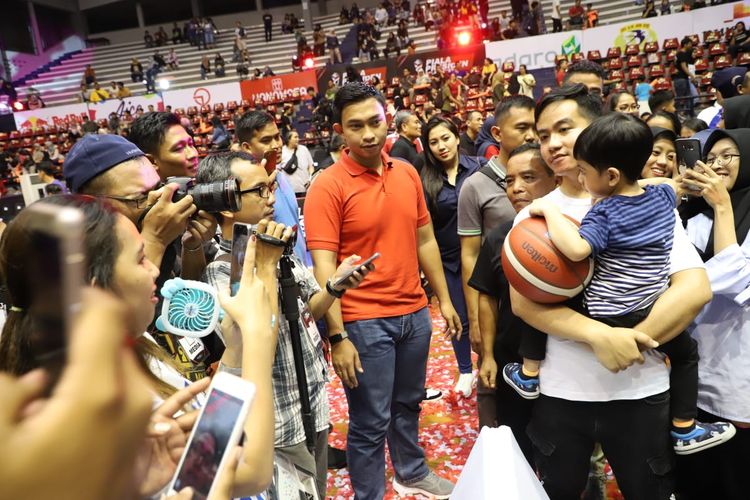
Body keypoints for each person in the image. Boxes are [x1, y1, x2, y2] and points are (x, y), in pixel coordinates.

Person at [509, 83, 713, 499]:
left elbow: (694, 287)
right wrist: (601, 336)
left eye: (564, 129)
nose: (552, 143)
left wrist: (631, 341)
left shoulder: (646, 201)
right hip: (561, 394)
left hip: (641, 392)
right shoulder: (535, 215)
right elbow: (524, 305)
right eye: (542, 135)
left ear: (596, 129)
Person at [0, 194, 279, 497]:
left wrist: (236, 349)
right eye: (140, 259)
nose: (154, 270)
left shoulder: (129, 343)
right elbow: (248, 467)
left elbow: (208, 453)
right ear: (94, 289)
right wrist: (257, 333)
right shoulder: (92, 396)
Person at [304, 82, 460, 500]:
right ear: (341, 131)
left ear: (387, 116)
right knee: (370, 420)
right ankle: (369, 495)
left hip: (414, 313)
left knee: (408, 404)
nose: (369, 134)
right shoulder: (327, 186)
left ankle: (410, 471)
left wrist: (443, 299)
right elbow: (325, 270)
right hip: (363, 321)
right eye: (356, 127)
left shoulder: (407, 172)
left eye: (375, 122)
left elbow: (425, 240)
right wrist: (337, 336)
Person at [197, 152, 372, 498]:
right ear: (228, 202)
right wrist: (263, 263)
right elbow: (250, 334)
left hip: (313, 402)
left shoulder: (280, 249)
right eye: (259, 190)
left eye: (271, 187)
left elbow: (309, 309)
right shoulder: (221, 270)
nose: (271, 198)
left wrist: (335, 285)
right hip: (274, 420)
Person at [471, 143, 558, 463]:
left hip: (565, 364)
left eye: (529, 177)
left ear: (555, 180)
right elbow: (487, 297)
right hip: (513, 364)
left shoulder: (578, 233)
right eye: (509, 180)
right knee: (519, 448)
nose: (517, 187)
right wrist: (489, 356)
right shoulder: (499, 237)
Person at [675, 128, 750, 500]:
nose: (718, 164)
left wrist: (723, 206)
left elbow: (731, 279)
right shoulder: (693, 217)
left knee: (737, 478)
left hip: (737, 376)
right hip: (691, 377)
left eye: (729, 155)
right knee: (697, 483)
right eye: (712, 156)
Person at [458, 96, 536, 427]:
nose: (532, 134)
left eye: (535, 127)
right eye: (522, 128)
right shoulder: (476, 186)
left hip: (547, 302)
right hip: (503, 306)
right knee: (500, 396)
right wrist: (475, 319)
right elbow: (471, 255)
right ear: (498, 133)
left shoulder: (551, 173)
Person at [421, 115, 487, 397]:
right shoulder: (425, 180)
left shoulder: (480, 169)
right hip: (447, 261)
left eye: (445, 138)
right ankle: (464, 370)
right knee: (458, 317)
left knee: (486, 314)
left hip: (482, 256)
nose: (441, 146)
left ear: (457, 137)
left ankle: (490, 361)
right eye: (433, 142)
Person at [234, 111, 309, 263]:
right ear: (247, 147)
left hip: (302, 273)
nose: (276, 145)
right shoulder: (245, 191)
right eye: (266, 140)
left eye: (277, 137)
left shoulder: (280, 175)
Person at [280, 130, 315, 195]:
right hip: (289, 191)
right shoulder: (281, 151)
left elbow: (311, 166)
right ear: (289, 139)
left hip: (305, 188)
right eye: (295, 137)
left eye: (298, 137)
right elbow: (278, 170)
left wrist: (310, 179)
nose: (298, 139)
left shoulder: (304, 149)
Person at [674, 37, 696, 116]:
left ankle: (690, 113)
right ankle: (677, 113)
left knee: (688, 97)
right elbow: (683, 66)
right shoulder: (681, 53)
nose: (691, 45)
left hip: (684, 78)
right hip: (680, 79)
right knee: (680, 97)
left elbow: (689, 65)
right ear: (685, 44)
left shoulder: (685, 54)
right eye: (690, 44)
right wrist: (691, 75)